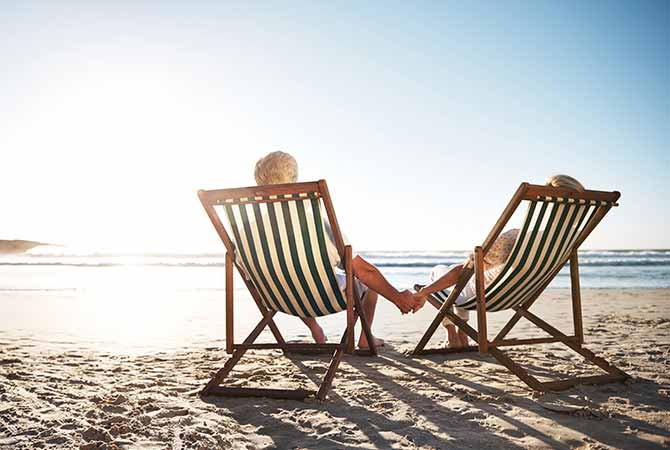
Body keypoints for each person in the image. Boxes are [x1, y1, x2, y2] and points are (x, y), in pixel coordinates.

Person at [253, 151, 419, 349]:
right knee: (367, 284)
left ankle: (313, 327)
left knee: (288, 279)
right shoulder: (315, 226)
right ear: (294, 180)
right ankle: (366, 338)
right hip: (324, 298)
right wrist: (398, 298)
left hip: (278, 298)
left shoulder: (248, 230)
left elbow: (251, 275)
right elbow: (364, 272)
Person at [412, 174, 585, 348]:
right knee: (462, 282)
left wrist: (424, 292)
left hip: (485, 295)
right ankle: (462, 334)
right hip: (519, 294)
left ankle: (452, 336)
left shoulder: (516, 237)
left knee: (441, 271)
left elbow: (463, 271)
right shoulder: (568, 240)